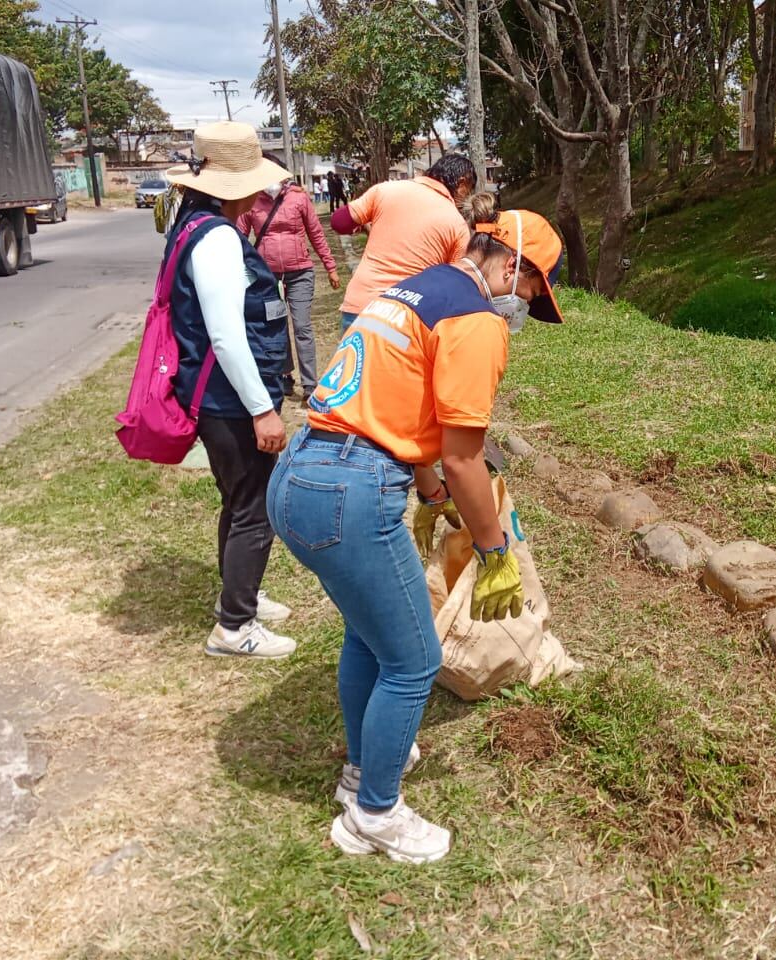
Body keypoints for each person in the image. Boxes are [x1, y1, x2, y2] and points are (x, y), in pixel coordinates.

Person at [267, 209, 566, 863]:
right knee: (414, 661)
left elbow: (402, 403)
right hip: (350, 489)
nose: (522, 310)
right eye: (530, 295)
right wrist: (496, 554)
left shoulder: (415, 289)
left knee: (370, 638)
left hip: (301, 473)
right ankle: (374, 814)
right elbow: (465, 456)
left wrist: (429, 495)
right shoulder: (476, 321)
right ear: (513, 267)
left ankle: (362, 774)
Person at [162, 121, 297, 659]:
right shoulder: (216, 238)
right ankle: (235, 627)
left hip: (219, 397)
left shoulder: (195, 224)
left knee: (238, 500)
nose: (261, 194)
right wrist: (263, 411)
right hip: (230, 399)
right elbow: (225, 333)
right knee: (253, 508)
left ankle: (241, 595)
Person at [330, 153, 476, 331]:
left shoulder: (387, 190)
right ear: (462, 183)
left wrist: (366, 226)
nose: (465, 199)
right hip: (406, 316)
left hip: (360, 306)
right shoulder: (457, 224)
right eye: (468, 191)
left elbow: (339, 222)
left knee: (354, 359)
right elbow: (455, 284)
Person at [237, 169, 341, 401]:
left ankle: (310, 384)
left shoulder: (298, 197)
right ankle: (285, 375)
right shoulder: (251, 201)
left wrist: (330, 267)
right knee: (277, 327)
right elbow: (239, 237)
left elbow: (316, 233)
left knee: (302, 327)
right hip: (268, 278)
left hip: (300, 273)